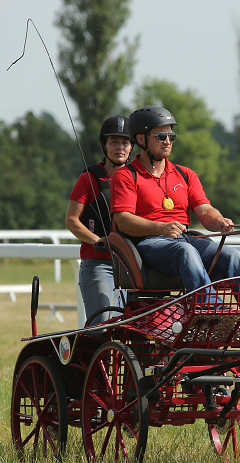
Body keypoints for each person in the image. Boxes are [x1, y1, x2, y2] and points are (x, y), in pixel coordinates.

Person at [110, 105, 240, 306]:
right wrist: (162, 227)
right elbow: (123, 221)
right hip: (149, 244)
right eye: (161, 136)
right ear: (141, 139)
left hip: (185, 239)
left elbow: (205, 210)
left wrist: (219, 221)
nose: (167, 141)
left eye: (171, 137)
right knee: (186, 252)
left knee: (232, 255)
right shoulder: (125, 176)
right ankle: (212, 309)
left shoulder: (185, 174)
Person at [65, 115, 132, 325]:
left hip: (132, 264)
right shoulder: (89, 178)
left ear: (132, 147)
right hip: (98, 262)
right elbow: (72, 220)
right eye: (114, 142)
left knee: (136, 324)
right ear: (103, 146)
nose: (119, 148)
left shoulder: (138, 178)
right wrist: (97, 240)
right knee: (101, 324)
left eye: (125, 142)